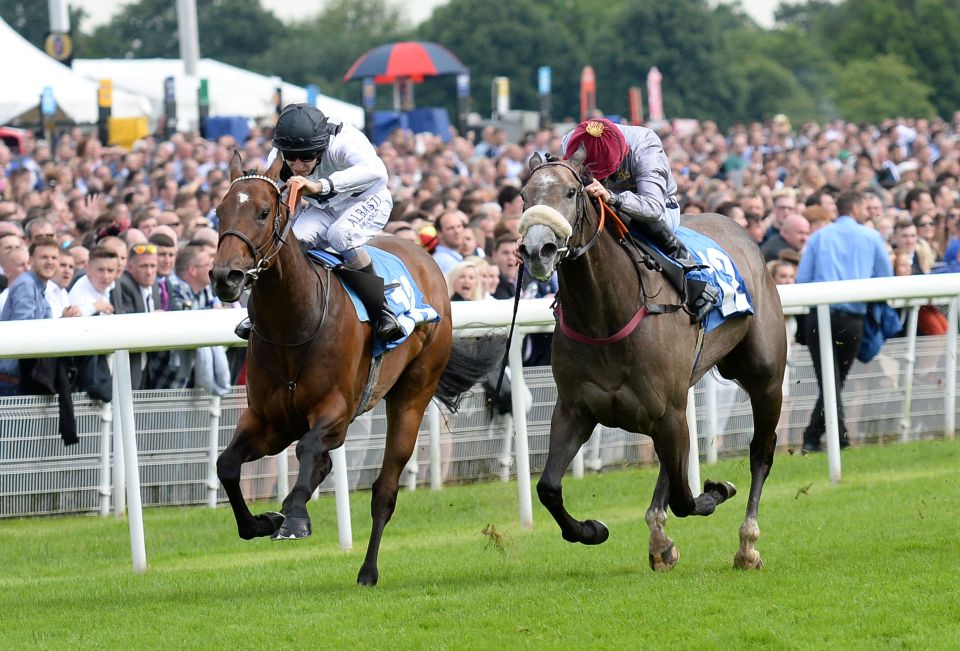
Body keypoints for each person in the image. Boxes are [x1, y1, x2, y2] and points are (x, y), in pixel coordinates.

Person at [237, 102, 402, 342]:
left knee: (340, 235)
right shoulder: (278, 157)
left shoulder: (344, 140)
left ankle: (382, 311)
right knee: (291, 242)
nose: (298, 166)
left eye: (306, 157)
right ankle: (259, 311)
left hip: (367, 199)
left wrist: (321, 186)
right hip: (324, 208)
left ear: (322, 147)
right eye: (291, 158)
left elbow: (377, 171)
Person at [562, 118, 717, 322]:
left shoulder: (645, 144)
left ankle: (693, 278)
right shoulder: (570, 142)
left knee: (627, 217)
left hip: (656, 210)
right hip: (600, 204)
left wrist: (612, 197)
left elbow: (652, 207)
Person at [796, 191, 892, 452]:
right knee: (834, 380)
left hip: (819, 316)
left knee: (830, 379)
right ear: (857, 207)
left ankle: (816, 437)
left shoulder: (818, 237)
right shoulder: (871, 237)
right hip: (852, 318)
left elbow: (802, 279)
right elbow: (885, 276)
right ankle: (832, 437)